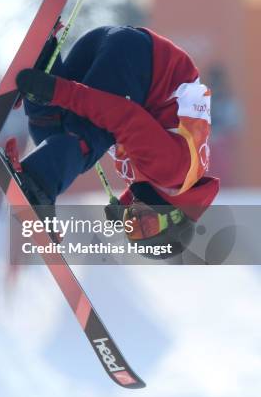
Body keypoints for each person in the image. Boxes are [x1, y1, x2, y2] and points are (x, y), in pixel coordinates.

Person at [15, 25, 220, 258]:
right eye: (148, 226)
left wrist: (123, 207)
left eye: (133, 229)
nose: (137, 218)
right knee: (88, 139)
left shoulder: (163, 180)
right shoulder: (172, 171)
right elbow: (123, 116)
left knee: (54, 136)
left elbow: (141, 160)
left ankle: (42, 58)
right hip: (136, 59)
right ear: (173, 215)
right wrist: (59, 92)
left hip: (105, 51)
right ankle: (37, 186)